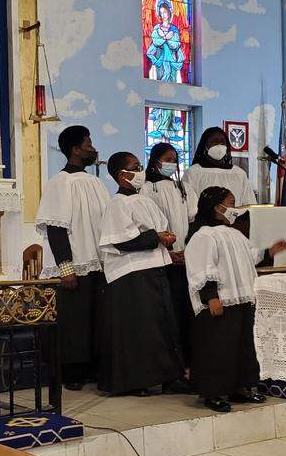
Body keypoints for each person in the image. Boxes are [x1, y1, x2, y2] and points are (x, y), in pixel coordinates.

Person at [185, 186, 286, 413]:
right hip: (220, 300)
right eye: (231, 203)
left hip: (242, 298)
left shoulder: (235, 234)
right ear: (217, 207)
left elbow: (251, 258)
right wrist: (211, 297)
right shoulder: (203, 236)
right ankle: (213, 393)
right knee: (218, 348)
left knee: (243, 346)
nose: (235, 208)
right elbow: (202, 269)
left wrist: (269, 252)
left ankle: (241, 387)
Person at [97, 152, 185, 396]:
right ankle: (136, 381)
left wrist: (168, 248)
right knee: (141, 330)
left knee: (162, 326)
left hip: (153, 269)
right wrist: (156, 237)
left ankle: (170, 377)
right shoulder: (117, 204)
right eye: (136, 167)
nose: (141, 171)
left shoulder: (143, 201)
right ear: (123, 175)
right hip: (131, 275)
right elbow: (121, 241)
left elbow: (157, 232)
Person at [36, 126, 110, 391]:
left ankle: (91, 368)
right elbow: (55, 227)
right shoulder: (60, 182)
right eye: (88, 144)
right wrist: (65, 267)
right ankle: (71, 371)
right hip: (74, 264)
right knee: (74, 321)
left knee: (94, 319)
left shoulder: (95, 182)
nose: (93, 148)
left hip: (96, 262)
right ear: (75, 149)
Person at [141, 142, 197, 366]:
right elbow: (146, 226)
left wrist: (188, 249)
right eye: (167, 159)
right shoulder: (146, 189)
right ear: (155, 161)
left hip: (185, 255)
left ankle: (187, 357)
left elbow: (193, 220)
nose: (172, 164)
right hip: (161, 257)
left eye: (175, 160)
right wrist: (168, 252)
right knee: (167, 310)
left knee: (185, 308)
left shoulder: (183, 188)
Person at [183, 126, 258, 207]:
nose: (219, 146)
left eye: (222, 143)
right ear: (205, 146)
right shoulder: (193, 172)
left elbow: (249, 203)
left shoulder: (239, 173)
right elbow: (187, 204)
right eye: (214, 142)